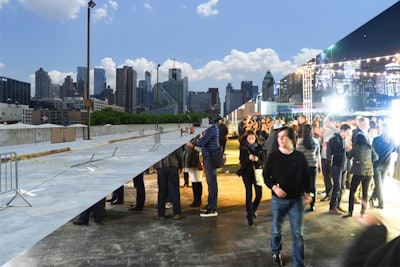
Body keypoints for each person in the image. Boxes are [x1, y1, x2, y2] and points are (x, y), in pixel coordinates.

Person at [263, 126, 311, 267]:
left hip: (297, 200)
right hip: (278, 201)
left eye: (283, 137)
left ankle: (299, 264)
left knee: (298, 234)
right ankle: (276, 250)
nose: (280, 139)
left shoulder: (299, 156)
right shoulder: (273, 157)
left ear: (292, 139)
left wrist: (308, 193)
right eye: (279, 137)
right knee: (277, 230)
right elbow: (266, 177)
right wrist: (275, 187)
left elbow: (306, 177)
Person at [343, 134, 378, 218]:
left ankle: (350, 211)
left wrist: (348, 151)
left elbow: (348, 156)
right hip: (369, 172)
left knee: (352, 191)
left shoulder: (356, 147)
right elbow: (376, 157)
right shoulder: (370, 147)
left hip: (358, 172)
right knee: (365, 192)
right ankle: (363, 211)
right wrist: (369, 161)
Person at [193, 118, 220, 217]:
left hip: (210, 158)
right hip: (209, 157)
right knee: (210, 183)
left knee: (212, 183)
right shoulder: (210, 128)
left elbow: (200, 142)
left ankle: (213, 209)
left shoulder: (211, 128)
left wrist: (198, 137)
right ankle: (210, 205)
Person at [237, 130, 264, 227]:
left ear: (255, 138)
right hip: (247, 173)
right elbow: (242, 162)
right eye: (249, 138)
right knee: (249, 194)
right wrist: (248, 159)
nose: (251, 140)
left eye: (253, 138)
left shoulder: (260, 148)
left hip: (257, 173)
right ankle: (250, 218)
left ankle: (253, 210)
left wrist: (257, 160)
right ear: (246, 139)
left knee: (259, 195)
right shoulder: (243, 149)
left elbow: (263, 161)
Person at [370, 122, 396, 209]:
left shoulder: (376, 139)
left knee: (378, 184)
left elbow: (372, 151)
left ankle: (381, 203)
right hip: (386, 164)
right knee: (380, 184)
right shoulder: (392, 140)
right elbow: (394, 150)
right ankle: (372, 198)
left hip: (377, 164)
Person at [328, 123, 352, 215]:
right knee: (337, 186)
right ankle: (332, 207)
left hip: (344, 165)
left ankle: (337, 205)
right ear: (342, 130)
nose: (349, 134)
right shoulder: (334, 140)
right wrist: (344, 149)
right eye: (347, 132)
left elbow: (346, 153)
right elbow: (333, 152)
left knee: (342, 187)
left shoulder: (344, 139)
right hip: (336, 165)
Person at [296, 124, 321, 211]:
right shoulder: (316, 141)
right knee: (312, 186)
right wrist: (319, 165)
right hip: (313, 165)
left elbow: (298, 156)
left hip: (303, 167)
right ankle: (312, 204)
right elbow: (318, 154)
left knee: (302, 185)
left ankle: (302, 203)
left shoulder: (299, 142)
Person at [154, 148, 183, 220]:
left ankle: (161, 214)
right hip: (172, 165)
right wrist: (181, 164)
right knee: (174, 190)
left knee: (162, 190)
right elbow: (179, 152)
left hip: (160, 166)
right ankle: (176, 213)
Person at [320, 116, 339, 202]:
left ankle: (332, 194)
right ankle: (328, 192)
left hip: (331, 157)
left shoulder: (336, 132)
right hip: (323, 156)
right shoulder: (325, 131)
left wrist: (328, 144)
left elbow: (337, 144)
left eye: (327, 122)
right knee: (325, 176)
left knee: (331, 176)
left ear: (332, 122)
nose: (325, 123)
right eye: (325, 122)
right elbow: (320, 142)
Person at [184, 136, 204, 208]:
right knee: (194, 182)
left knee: (198, 181)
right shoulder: (190, 138)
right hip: (190, 163)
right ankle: (196, 200)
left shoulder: (199, 139)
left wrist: (193, 146)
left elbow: (202, 150)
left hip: (197, 162)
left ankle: (198, 200)